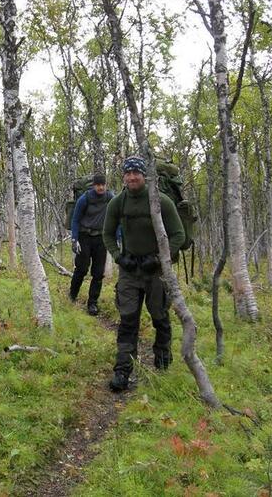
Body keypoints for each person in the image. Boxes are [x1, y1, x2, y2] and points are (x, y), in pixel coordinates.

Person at [102, 156, 185, 391]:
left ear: (144, 175)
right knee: (128, 320)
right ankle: (122, 371)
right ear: (123, 177)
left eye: (136, 173)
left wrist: (160, 258)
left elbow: (178, 234)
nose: (131, 177)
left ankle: (162, 362)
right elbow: (107, 234)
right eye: (127, 174)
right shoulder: (118, 202)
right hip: (129, 270)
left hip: (156, 271)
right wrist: (119, 257)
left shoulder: (161, 202)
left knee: (160, 317)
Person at [69, 173, 114, 316]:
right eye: (98, 185)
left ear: (106, 185)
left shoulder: (110, 198)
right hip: (84, 237)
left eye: (103, 185)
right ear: (94, 185)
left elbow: (116, 217)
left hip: (101, 238)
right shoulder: (84, 199)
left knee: (98, 273)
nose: (100, 187)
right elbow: (75, 220)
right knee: (81, 269)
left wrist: (118, 236)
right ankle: (72, 296)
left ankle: (92, 303)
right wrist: (74, 239)